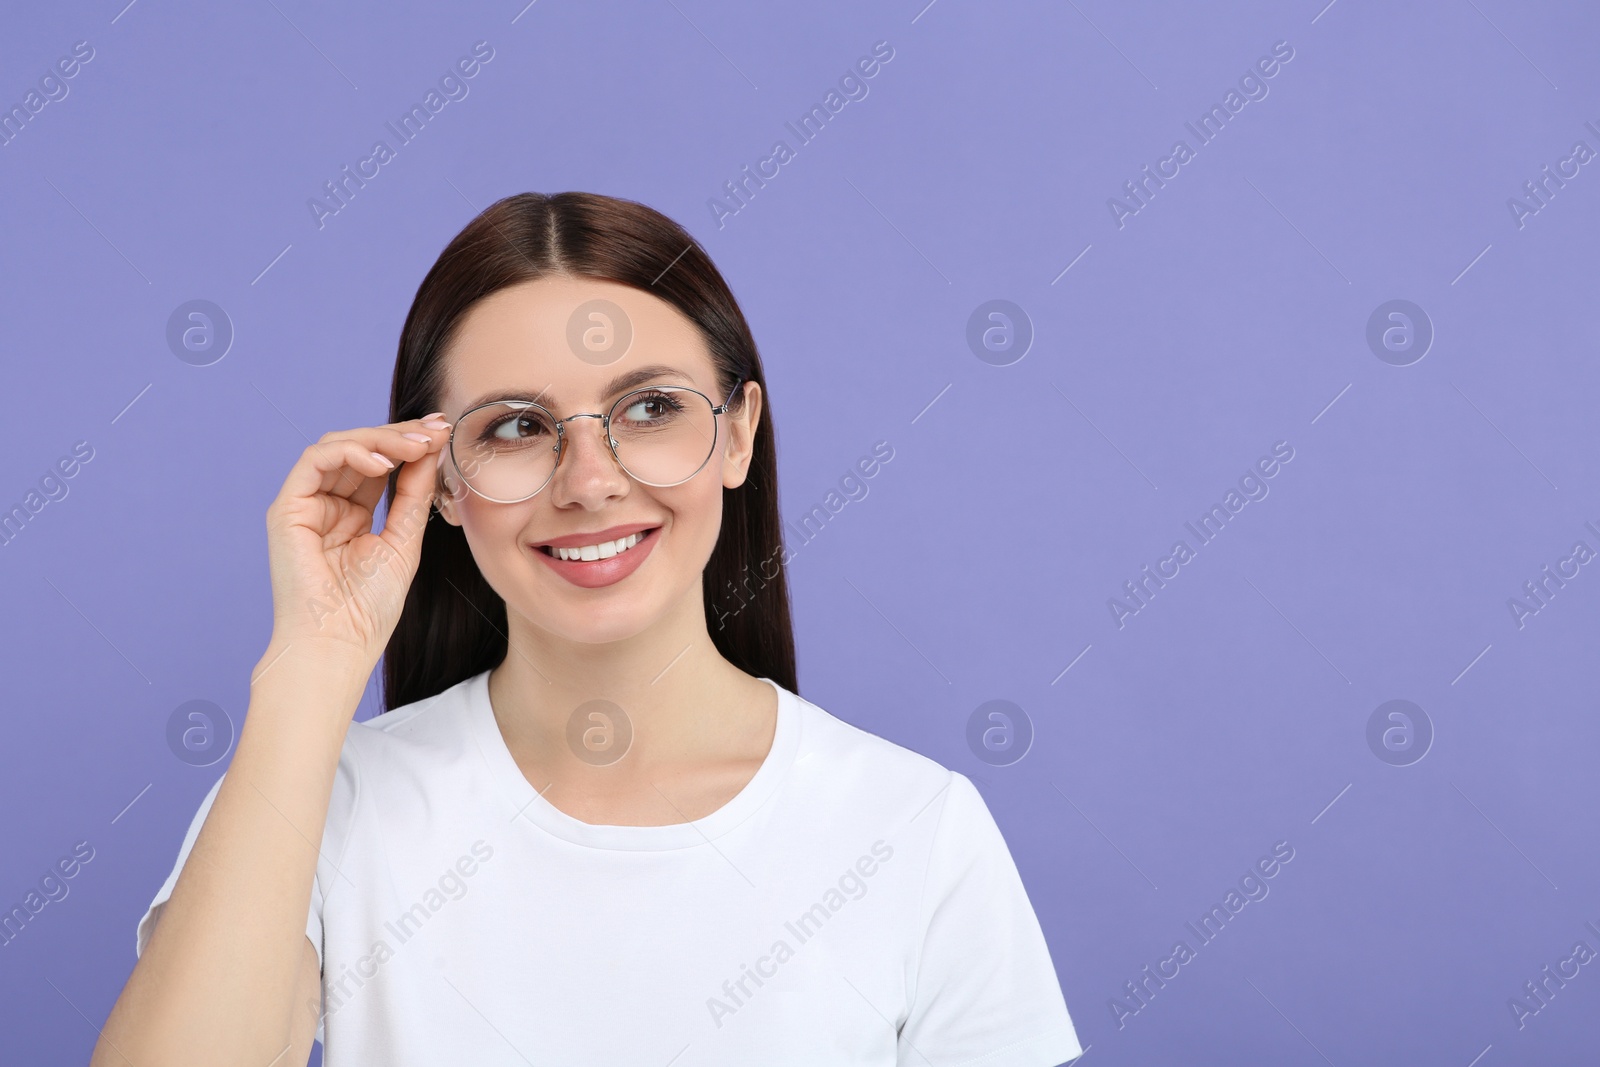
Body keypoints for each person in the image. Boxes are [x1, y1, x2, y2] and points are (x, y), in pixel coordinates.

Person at [94, 191, 1083, 1065]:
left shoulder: (913, 827)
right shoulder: (322, 799)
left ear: (737, 434)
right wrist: (310, 664)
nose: (590, 481)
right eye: (516, 426)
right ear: (435, 481)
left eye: (649, 407)